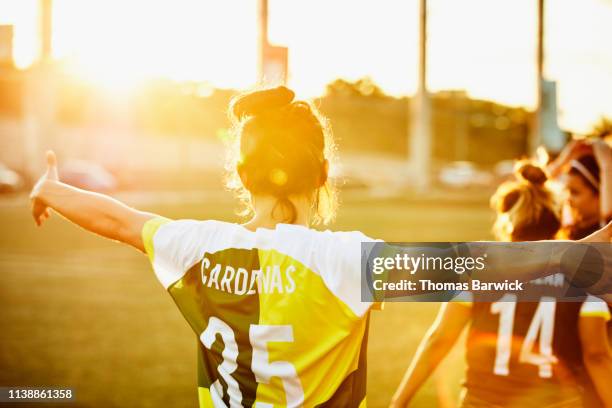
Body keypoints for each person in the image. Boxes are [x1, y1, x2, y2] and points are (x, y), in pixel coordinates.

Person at [30, 86, 611, 407]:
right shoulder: (344, 261)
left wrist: (52, 188)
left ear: (239, 171)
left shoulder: (193, 246)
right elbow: (488, 269)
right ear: (324, 172)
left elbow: (117, 219)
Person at [389, 162, 612, 408]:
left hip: (483, 401)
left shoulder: (481, 269)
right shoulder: (581, 273)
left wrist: (399, 402)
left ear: (507, 222)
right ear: (557, 222)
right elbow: (597, 355)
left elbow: (440, 339)